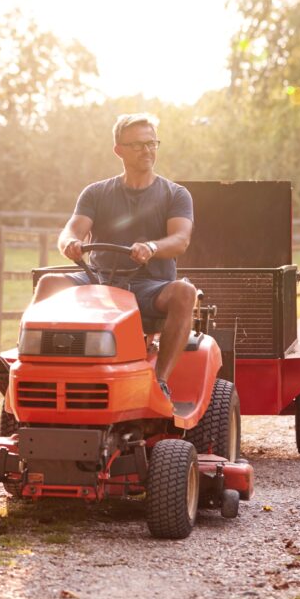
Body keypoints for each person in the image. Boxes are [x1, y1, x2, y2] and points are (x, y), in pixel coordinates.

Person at [32, 113, 196, 399]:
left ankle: (159, 383)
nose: (147, 150)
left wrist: (153, 248)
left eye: (152, 143)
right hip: (97, 280)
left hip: (150, 286)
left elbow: (181, 240)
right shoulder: (95, 193)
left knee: (184, 292)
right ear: (118, 150)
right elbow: (70, 231)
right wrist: (70, 242)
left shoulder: (175, 194)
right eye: (137, 145)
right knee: (49, 282)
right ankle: (33, 365)